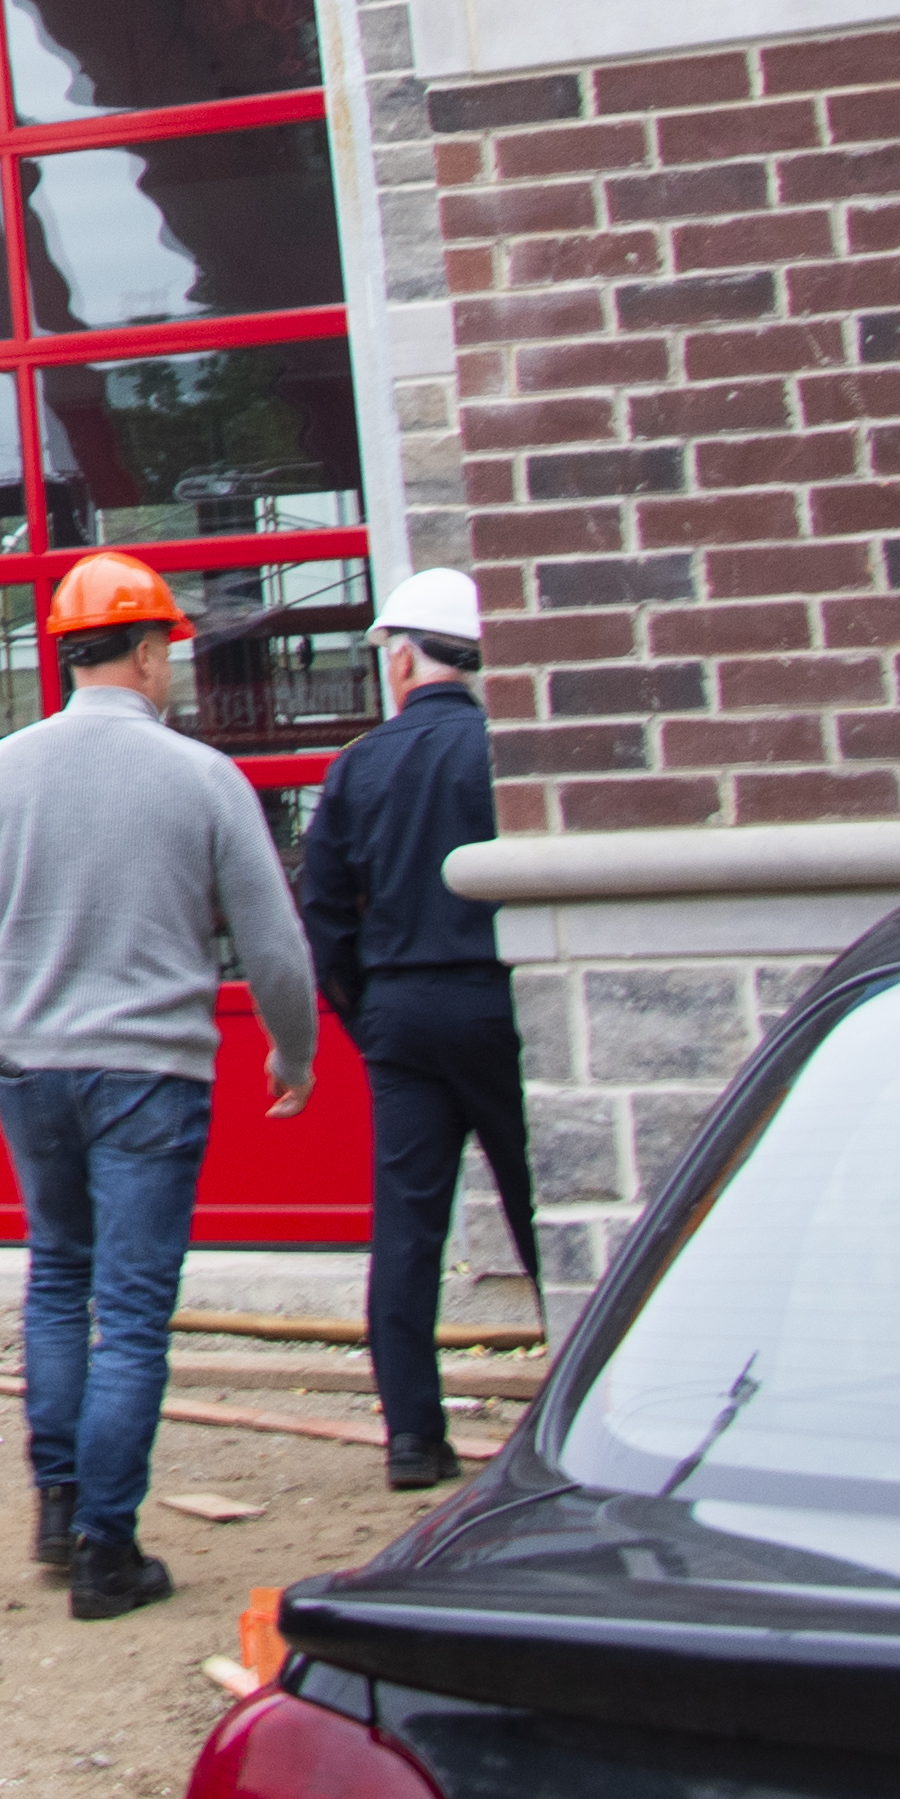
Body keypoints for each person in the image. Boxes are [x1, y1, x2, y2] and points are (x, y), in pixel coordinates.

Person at [0, 550, 320, 1623]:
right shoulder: (201, 778)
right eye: (168, 650)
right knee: (131, 1312)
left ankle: (57, 1506)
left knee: (58, 1276)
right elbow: (273, 943)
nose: (170, 668)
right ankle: (107, 1547)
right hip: (150, 1072)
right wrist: (295, 1048)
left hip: (30, 1068)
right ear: (143, 651)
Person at [297, 563, 540, 1487]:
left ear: (401, 659)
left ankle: (411, 1436)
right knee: (538, 1213)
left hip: (400, 1009)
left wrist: (369, 1017)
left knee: (406, 1231)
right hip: (498, 1000)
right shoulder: (501, 750)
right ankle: (580, 1411)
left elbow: (324, 909)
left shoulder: (359, 766)